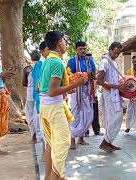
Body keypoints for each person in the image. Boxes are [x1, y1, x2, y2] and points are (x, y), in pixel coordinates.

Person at [39, 31, 88, 179]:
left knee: (51, 144)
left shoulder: (47, 61)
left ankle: (49, 177)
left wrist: (67, 86)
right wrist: (78, 83)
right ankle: (55, 177)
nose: (65, 44)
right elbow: (53, 91)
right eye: (64, 41)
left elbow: (40, 87)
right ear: (59, 42)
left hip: (45, 107)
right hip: (54, 108)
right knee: (62, 144)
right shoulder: (57, 62)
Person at [97, 42, 127, 152]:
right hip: (108, 94)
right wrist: (117, 86)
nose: (116, 55)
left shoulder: (114, 62)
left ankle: (108, 142)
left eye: (118, 53)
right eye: (115, 52)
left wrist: (120, 84)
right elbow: (99, 81)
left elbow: (113, 79)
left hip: (115, 93)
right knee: (115, 118)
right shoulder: (104, 62)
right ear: (110, 49)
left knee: (114, 119)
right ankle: (105, 142)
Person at [67, 41, 96, 149]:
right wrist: (79, 76)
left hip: (88, 91)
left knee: (88, 115)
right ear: (76, 50)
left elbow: (94, 75)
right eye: (80, 49)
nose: (83, 51)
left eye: (84, 48)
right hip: (76, 91)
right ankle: (72, 139)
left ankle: (81, 138)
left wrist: (90, 74)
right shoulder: (71, 61)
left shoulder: (90, 61)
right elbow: (68, 76)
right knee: (76, 115)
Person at [22, 50, 41, 143]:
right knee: (37, 114)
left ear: (31, 57)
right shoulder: (42, 66)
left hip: (30, 94)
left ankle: (33, 136)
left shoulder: (27, 69)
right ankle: (39, 135)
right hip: (39, 94)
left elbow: (24, 83)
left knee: (29, 115)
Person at [84, 53, 103, 137]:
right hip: (85, 94)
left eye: (90, 59)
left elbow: (96, 79)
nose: (89, 60)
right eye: (87, 59)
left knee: (95, 112)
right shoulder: (83, 69)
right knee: (85, 112)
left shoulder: (94, 70)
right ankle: (85, 131)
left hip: (93, 94)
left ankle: (97, 130)